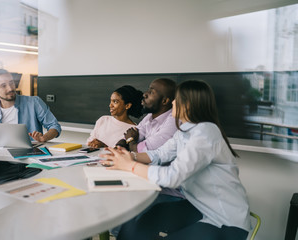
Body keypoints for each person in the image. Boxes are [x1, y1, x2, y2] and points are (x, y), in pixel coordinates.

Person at [101, 79, 251, 240]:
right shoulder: (184, 132)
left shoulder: (205, 132)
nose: (172, 103)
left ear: (188, 104)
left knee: (140, 229)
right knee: (134, 227)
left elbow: (173, 177)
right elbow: (159, 154)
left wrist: (130, 166)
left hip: (224, 221)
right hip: (198, 207)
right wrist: (129, 157)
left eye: (176, 99)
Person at [0, 69, 61, 187]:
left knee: (37, 196)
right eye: (3, 85)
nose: (10, 88)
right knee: (0, 199)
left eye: (11, 83)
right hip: (3, 166)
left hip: (31, 163)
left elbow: (54, 126)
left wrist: (44, 137)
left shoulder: (34, 102)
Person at [115, 78, 177, 152]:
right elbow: (133, 134)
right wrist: (119, 146)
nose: (144, 94)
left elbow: (140, 150)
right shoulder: (150, 116)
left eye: (151, 92)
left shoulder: (174, 121)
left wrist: (130, 140)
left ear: (165, 101)